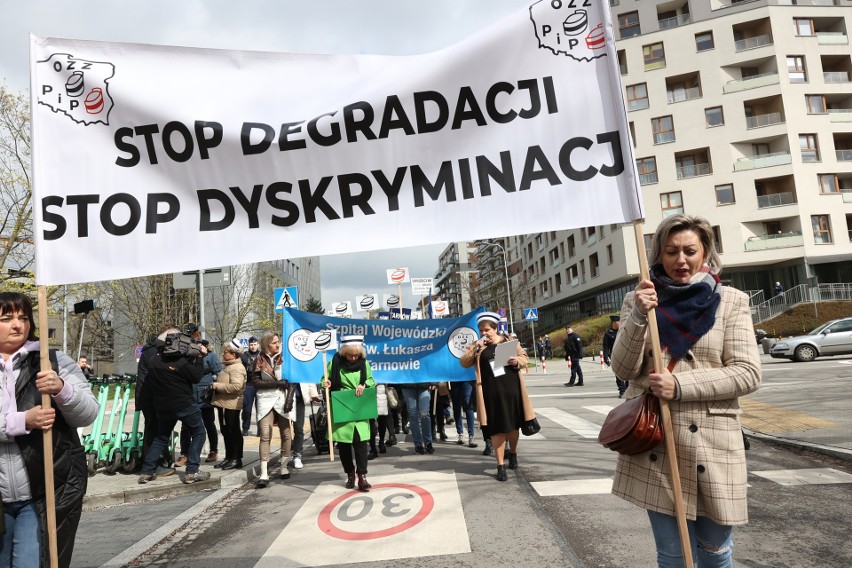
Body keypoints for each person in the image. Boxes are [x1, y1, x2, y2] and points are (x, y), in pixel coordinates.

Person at [610, 214, 761, 568]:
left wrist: (679, 384)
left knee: (715, 552)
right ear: (658, 255)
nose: (681, 260)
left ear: (705, 252)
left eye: (690, 250)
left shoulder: (732, 301)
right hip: (656, 443)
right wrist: (636, 316)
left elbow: (748, 372)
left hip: (714, 444)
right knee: (674, 555)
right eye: (671, 251)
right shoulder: (640, 300)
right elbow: (623, 369)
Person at [0, 292, 99, 568]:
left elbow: (88, 413)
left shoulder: (51, 360)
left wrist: (62, 390)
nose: (17, 325)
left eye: (23, 318)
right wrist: (23, 421)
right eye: (6, 319)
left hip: (42, 496)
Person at [460, 311, 532, 482]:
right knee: (497, 429)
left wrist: (517, 361)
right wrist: (475, 348)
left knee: (513, 428)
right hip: (490, 394)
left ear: (495, 328)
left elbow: (525, 357)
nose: (484, 333)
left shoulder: (509, 342)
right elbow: (463, 362)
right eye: (481, 330)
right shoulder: (479, 347)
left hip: (511, 391)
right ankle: (500, 466)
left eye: (486, 330)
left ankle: (513, 453)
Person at [138, 327, 209, 485]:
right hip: (184, 404)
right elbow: (196, 377)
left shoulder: (154, 360)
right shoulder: (180, 362)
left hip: (163, 407)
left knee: (160, 437)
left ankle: (147, 471)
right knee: (199, 433)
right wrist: (199, 357)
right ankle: (192, 471)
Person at [323, 335, 377, 491]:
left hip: (359, 407)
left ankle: (362, 477)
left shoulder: (364, 364)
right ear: (343, 353)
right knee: (344, 446)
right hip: (342, 407)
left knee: (360, 444)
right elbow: (324, 379)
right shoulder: (335, 362)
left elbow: (372, 380)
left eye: (356, 355)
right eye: (350, 355)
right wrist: (326, 383)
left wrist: (364, 384)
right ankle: (350, 474)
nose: (353, 358)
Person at [252, 332, 294, 488]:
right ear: (266, 344)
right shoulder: (259, 359)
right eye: (274, 342)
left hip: (283, 397)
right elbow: (255, 382)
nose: (277, 345)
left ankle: (284, 466)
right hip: (265, 399)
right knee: (265, 434)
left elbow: (292, 381)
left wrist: (289, 400)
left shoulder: (285, 358)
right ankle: (264, 473)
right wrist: (276, 384)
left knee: (286, 433)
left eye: (279, 342)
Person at [176, 340, 222, 467]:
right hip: (189, 397)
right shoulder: (186, 357)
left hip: (205, 397)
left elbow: (218, 371)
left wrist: (214, 386)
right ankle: (184, 454)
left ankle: (213, 451)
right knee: (186, 427)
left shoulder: (211, 356)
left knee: (209, 424)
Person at [210, 339, 246, 470]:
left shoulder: (237, 368)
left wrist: (218, 386)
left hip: (231, 404)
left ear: (234, 354)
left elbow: (236, 386)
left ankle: (236, 458)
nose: (223, 354)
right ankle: (229, 457)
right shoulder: (229, 366)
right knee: (226, 431)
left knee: (233, 431)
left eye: (226, 352)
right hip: (224, 403)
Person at [287, 380, 321, 469]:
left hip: (299, 398)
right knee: (286, 431)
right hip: (284, 398)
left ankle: (297, 455)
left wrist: (313, 394)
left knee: (298, 429)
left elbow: (308, 375)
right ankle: (285, 455)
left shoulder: (302, 365)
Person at [400, 382, 435, 455]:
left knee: (424, 413)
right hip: (407, 384)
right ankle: (418, 444)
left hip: (424, 383)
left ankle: (428, 442)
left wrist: (434, 382)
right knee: (413, 415)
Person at [602, 315, 628, 398]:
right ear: (614, 323)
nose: (620, 323)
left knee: (628, 374)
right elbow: (605, 347)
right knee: (618, 375)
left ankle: (628, 389)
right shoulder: (608, 334)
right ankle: (622, 391)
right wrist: (605, 357)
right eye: (618, 322)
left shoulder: (623, 331)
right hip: (615, 356)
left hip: (625, 354)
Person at [240, 336, 260, 436]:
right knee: (247, 409)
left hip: (260, 385)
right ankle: (245, 428)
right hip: (248, 385)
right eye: (251, 345)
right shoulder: (244, 356)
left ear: (258, 344)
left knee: (260, 409)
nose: (253, 346)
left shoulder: (262, 355)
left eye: (254, 344)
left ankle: (260, 430)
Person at [450, 377, 478, 448]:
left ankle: (471, 436)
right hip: (454, 377)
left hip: (467, 377)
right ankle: (460, 433)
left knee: (468, 403)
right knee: (456, 405)